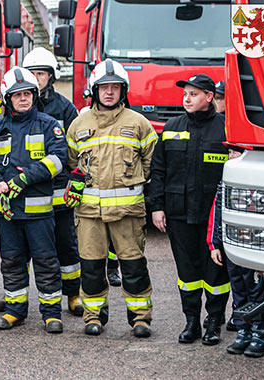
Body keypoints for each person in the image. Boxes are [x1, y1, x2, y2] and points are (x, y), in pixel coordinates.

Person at [65, 59, 156, 338]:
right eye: (104, 87)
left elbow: (152, 164)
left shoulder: (139, 123)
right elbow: (73, 165)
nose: (109, 92)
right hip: (89, 213)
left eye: (115, 87)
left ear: (123, 90)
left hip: (128, 214)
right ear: (95, 90)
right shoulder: (79, 124)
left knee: (134, 267)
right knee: (91, 268)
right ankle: (93, 317)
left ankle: (140, 319)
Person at [0, 67, 67, 334]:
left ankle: (51, 314)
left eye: (28, 93)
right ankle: (15, 310)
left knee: (46, 262)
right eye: (17, 95)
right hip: (9, 214)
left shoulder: (49, 125)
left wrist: (23, 179)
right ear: (8, 99)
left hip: (39, 214)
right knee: (11, 261)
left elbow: (58, 160)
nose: (24, 99)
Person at [149, 74, 230, 345]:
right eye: (185, 94)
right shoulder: (171, 127)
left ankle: (214, 322)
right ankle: (192, 322)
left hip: (212, 217)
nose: (187, 98)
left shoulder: (227, 129)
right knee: (187, 272)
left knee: (216, 274)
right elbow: (158, 170)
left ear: (209, 97)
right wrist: (157, 207)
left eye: (194, 94)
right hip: (178, 212)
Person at [23, 47, 84, 316]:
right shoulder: (19, 102)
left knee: (66, 244)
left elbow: (75, 150)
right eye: (33, 74)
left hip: (58, 190)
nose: (37, 79)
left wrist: (75, 181)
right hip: (27, 190)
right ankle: (18, 297)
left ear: (51, 76)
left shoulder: (65, 107)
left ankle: (73, 294)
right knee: (23, 249)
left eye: (41, 74)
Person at [207, 144, 264, 357]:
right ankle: (243, 331)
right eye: (230, 153)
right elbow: (217, 214)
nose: (231, 156)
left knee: (256, 290)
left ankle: (259, 333)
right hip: (231, 246)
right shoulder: (225, 184)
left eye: (236, 152)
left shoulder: (259, 183)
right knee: (239, 290)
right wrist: (215, 244)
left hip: (255, 249)